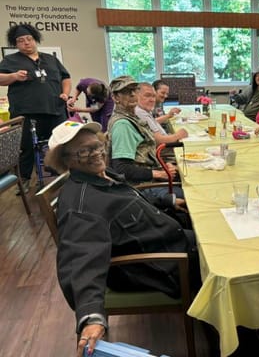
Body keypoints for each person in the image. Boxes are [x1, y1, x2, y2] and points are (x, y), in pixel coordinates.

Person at [43, 120, 198, 357]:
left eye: (97, 146)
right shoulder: (82, 206)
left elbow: (128, 198)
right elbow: (81, 258)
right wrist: (91, 316)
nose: (97, 154)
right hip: (163, 264)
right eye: (84, 151)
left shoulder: (101, 176)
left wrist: (166, 200)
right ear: (65, 160)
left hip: (167, 240)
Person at [0, 24, 71, 194]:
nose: (26, 43)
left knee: (60, 144)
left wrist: (66, 94)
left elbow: (66, 77)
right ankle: (24, 179)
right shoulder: (11, 61)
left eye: (29, 39)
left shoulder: (50, 59)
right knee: (26, 147)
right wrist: (14, 76)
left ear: (35, 40)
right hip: (27, 111)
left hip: (55, 109)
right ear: (15, 44)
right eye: (20, 41)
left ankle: (64, 175)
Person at [107, 76, 187, 210]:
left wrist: (162, 165)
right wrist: (159, 173)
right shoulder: (123, 125)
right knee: (196, 195)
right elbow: (121, 168)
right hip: (143, 188)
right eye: (126, 92)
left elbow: (145, 152)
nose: (132, 94)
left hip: (153, 176)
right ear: (115, 97)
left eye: (134, 90)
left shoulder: (132, 118)